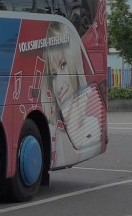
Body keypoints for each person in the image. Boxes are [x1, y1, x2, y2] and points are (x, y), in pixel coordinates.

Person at [40, 22, 103, 160]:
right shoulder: (52, 130)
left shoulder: (91, 124)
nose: (59, 86)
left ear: (74, 61)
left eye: (63, 65)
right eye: (53, 75)